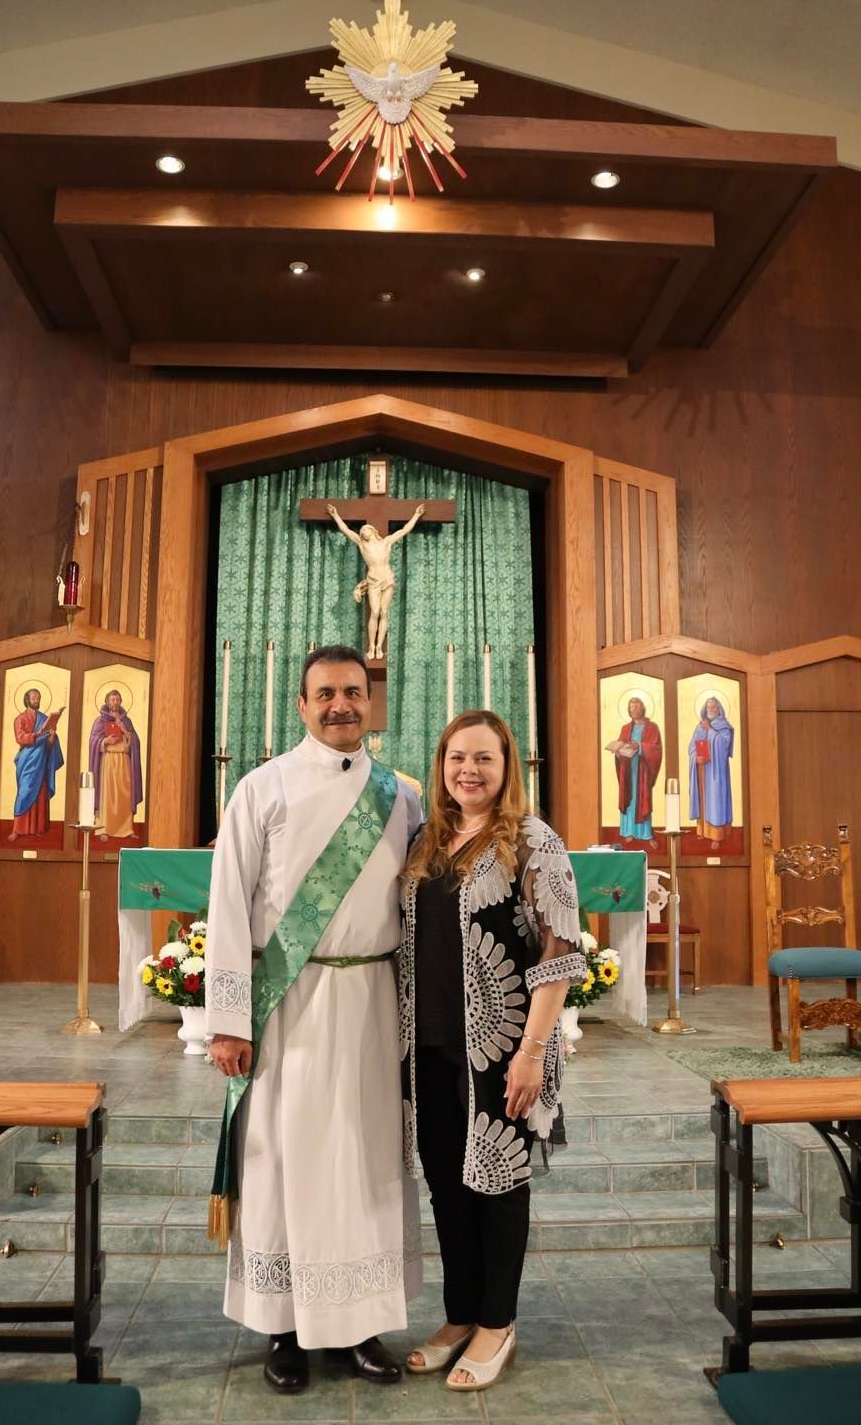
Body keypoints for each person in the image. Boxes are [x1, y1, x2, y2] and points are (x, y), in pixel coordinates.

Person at [205, 644, 423, 1396]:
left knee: (363, 1163)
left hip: (372, 1005)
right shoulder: (261, 789)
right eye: (325, 693)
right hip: (288, 1006)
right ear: (301, 705)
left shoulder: (401, 797)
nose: (340, 705)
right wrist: (229, 1021)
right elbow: (228, 906)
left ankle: (360, 1325)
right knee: (286, 1161)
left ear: (370, 703)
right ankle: (286, 1328)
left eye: (353, 693)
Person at [400, 709, 586, 1391]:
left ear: (507, 766)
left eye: (483, 758)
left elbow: (559, 954)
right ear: (441, 766)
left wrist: (533, 1052)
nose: (468, 771)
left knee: (499, 1185)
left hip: (503, 1048)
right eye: (457, 758)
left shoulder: (533, 841)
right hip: (428, 1044)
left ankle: (497, 1323)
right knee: (448, 1185)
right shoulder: (427, 840)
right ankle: (460, 1315)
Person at [326, 502, 425, 659]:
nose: (362, 532)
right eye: (361, 531)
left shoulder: (386, 542)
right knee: (375, 612)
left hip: (387, 578)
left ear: (372, 531)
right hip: (373, 580)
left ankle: (379, 646)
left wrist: (417, 515)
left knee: (384, 612)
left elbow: (405, 530)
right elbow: (346, 530)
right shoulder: (362, 544)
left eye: (365, 529)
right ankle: (371, 646)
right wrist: (335, 515)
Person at [8, 688, 64, 841]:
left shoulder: (45, 719)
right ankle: (17, 829)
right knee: (24, 792)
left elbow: (49, 744)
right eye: (34, 698)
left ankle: (38, 828)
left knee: (40, 792)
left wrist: (51, 737)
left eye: (38, 698)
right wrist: (37, 735)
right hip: (27, 760)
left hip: (41, 760)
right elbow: (20, 738)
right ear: (27, 700)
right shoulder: (20, 719)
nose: (36, 700)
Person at [88, 689, 144, 840]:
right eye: (113, 699)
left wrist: (126, 732)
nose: (115, 702)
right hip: (108, 760)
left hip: (124, 761)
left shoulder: (127, 721)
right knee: (107, 794)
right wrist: (105, 741)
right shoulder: (100, 721)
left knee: (125, 795)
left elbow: (135, 741)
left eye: (118, 699)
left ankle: (126, 829)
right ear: (107, 702)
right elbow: (93, 741)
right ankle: (103, 828)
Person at [605, 695, 662, 843]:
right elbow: (621, 745)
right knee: (629, 800)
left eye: (636, 706)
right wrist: (618, 753)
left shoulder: (652, 728)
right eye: (631, 707)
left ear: (642, 708)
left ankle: (646, 834)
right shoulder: (625, 728)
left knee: (643, 800)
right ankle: (629, 831)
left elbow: (656, 749)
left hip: (643, 770)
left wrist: (640, 746)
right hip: (628, 770)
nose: (634, 710)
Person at [688, 695, 734, 847]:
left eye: (713, 707)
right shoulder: (701, 725)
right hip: (702, 771)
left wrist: (710, 730)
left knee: (715, 800)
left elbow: (723, 745)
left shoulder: (724, 726)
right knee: (703, 800)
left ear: (719, 709)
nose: (710, 710)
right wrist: (696, 757)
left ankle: (717, 836)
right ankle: (703, 831)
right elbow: (691, 747)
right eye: (708, 707)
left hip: (716, 772)